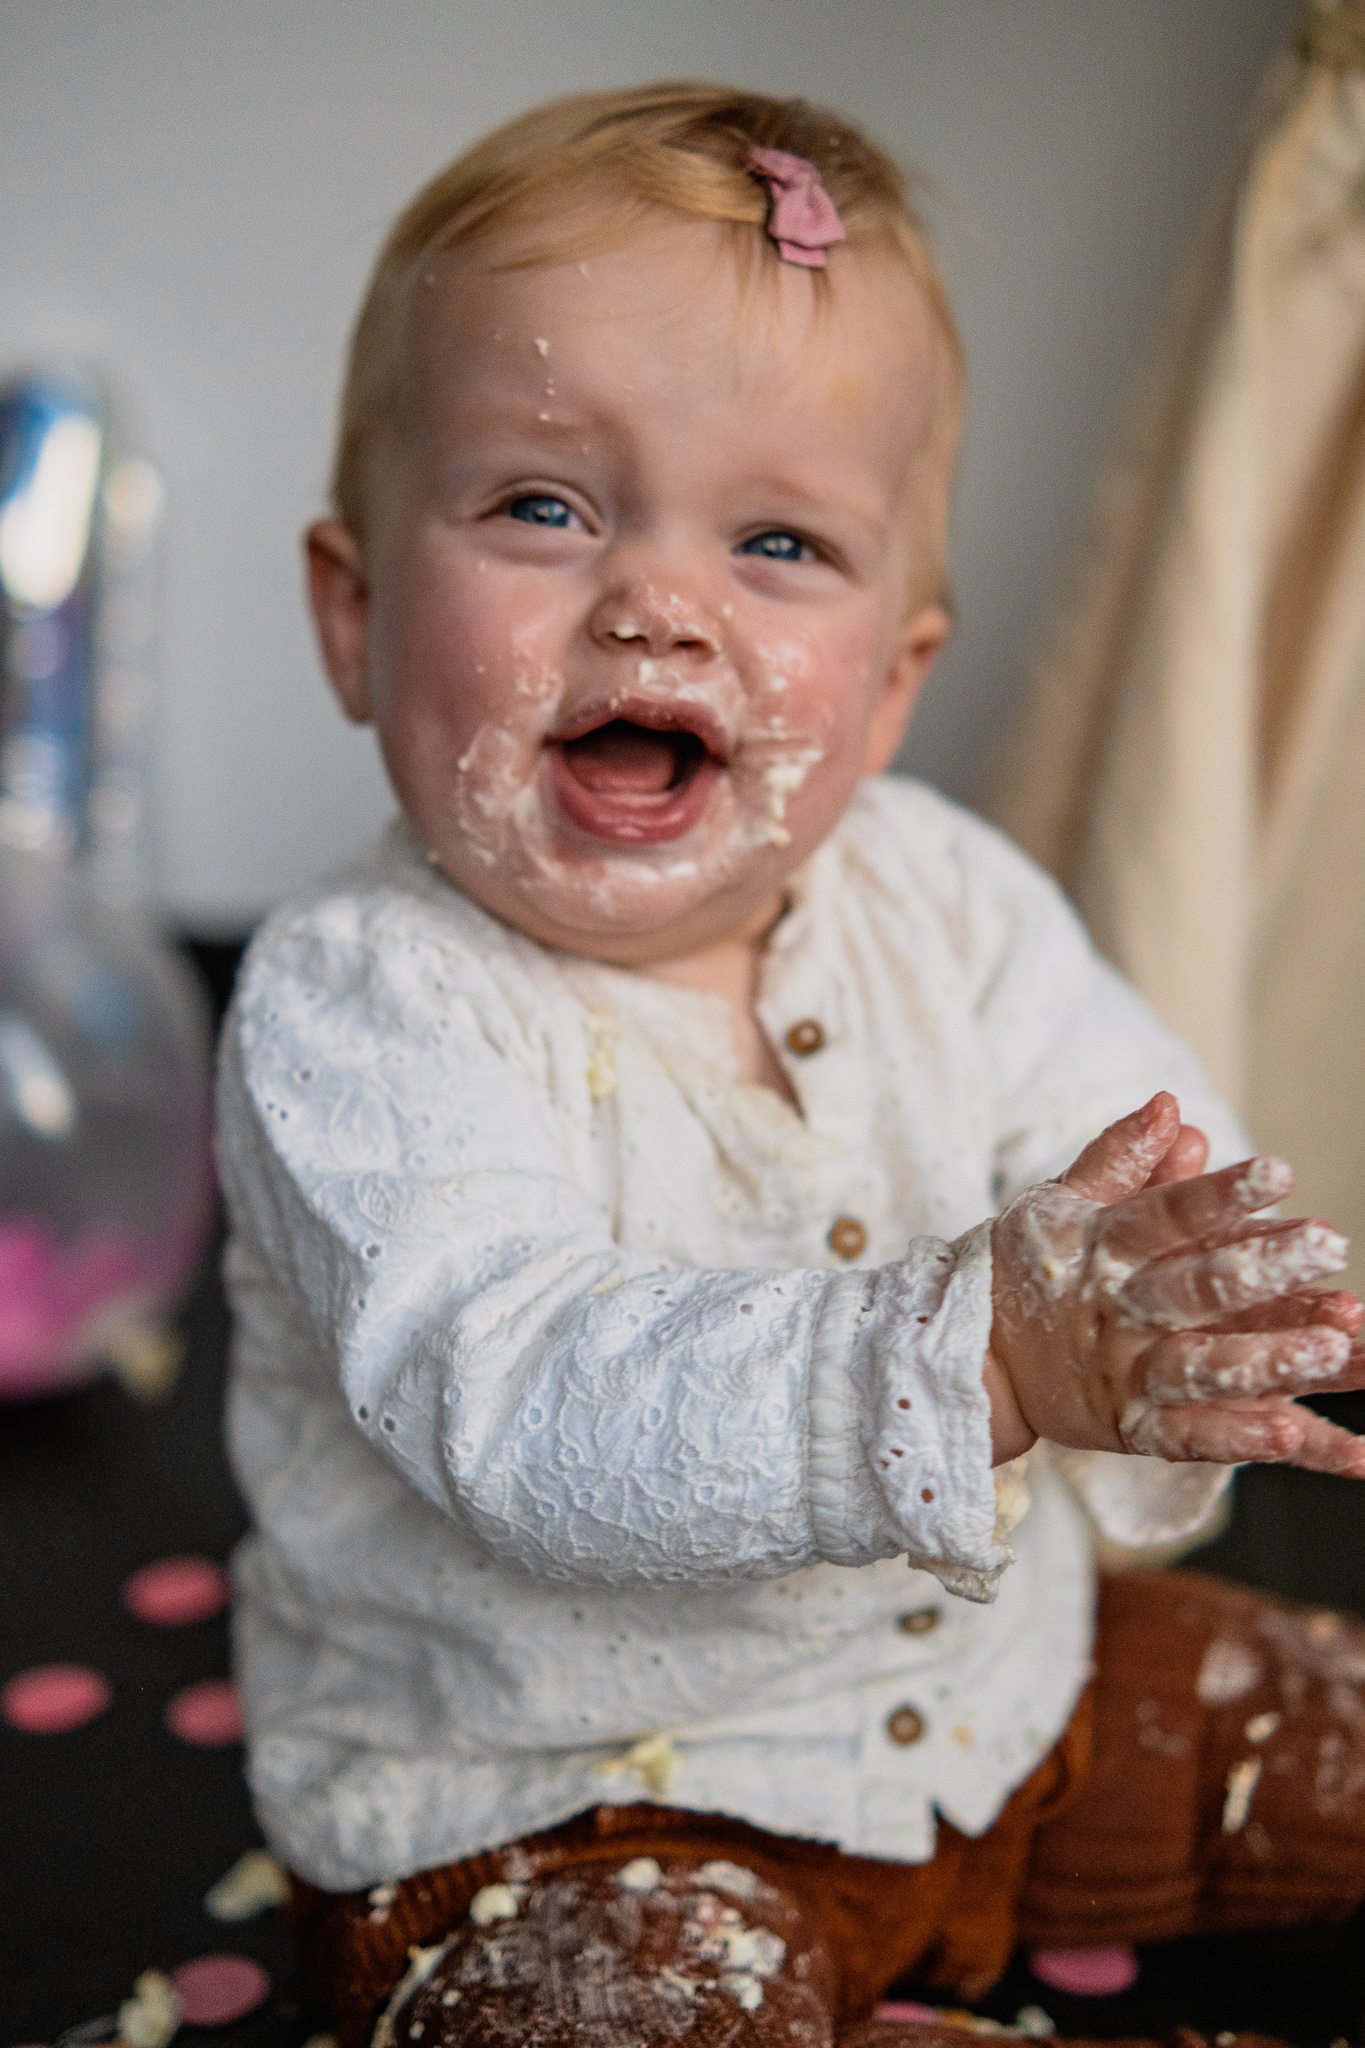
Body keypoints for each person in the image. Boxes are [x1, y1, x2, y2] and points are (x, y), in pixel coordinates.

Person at [216, 84, 1365, 2048]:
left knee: (1314, 1719)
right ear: (355, 612)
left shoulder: (949, 896)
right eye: (544, 506)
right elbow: (521, 1397)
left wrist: (1170, 1314)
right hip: (562, 1810)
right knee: (609, 2011)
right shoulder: (359, 1007)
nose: (659, 604)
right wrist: (978, 1356)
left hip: (996, 1701)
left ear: (892, 684)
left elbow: (1135, 1151)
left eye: (776, 540)